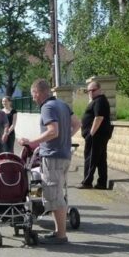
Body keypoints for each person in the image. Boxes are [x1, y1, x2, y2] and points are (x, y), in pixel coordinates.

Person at [18, 79, 80, 245]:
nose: (33, 98)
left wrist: (31, 142)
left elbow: (53, 131)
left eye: (33, 95)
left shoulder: (47, 107)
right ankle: (59, 231)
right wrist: (65, 139)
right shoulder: (62, 105)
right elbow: (77, 124)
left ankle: (61, 235)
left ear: (38, 92)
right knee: (57, 192)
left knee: (54, 195)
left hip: (53, 157)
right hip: (63, 154)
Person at [79, 81, 112, 189]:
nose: (90, 93)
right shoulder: (97, 100)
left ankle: (87, 182)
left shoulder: (99, 101)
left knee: (90, 159)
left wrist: (91, 134)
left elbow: (99, 118)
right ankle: (102, 183)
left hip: (96, 136)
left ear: (99, 90)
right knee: (101, 160)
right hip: (99, 135)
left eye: (93, 90)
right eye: (88, 91)